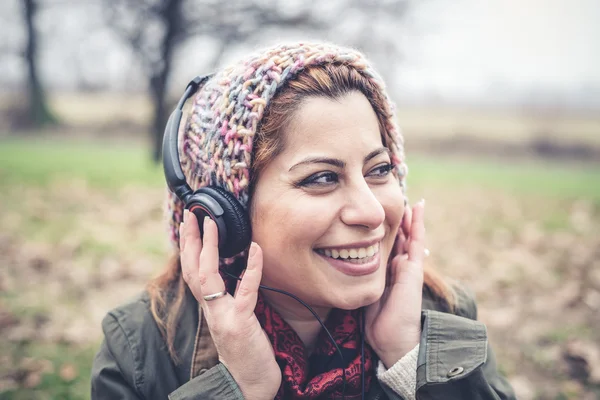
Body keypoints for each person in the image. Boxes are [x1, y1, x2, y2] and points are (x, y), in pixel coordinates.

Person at [91, 42, 516, 400]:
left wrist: (409, 361)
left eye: (379, 170)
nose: (371, 213)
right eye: (322, 178)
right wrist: (243, 389)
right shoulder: (140, 351)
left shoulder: (444, 318)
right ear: (222, 215)